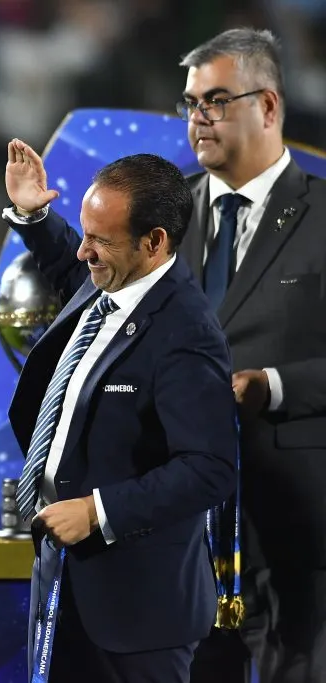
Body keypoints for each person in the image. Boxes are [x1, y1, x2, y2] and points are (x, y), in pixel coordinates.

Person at [4, 148, 237, 682]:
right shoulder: (111, 283)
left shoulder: (186, 333)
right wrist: (35, 217)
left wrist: (96, 510)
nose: (86, 252)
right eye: (85, 234)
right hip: (69, 590)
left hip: (140, 614)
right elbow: (70, 261)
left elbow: (210, 468)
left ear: (154, 242)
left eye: (100, 239)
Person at [176, 29, 326, 683]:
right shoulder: (164, 213)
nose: (198, 118)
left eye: (215, 100)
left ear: (267, 107)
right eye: (189, 103)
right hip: (181, 536)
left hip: (299, 535)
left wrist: (273, 384)